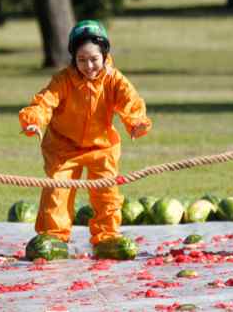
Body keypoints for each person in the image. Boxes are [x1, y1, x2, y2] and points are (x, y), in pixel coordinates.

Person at [19, 20, 152, 257]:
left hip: (101, 147)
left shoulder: (115, 80)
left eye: (94, 59)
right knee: (57, 191)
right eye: (82, 60)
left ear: (104, 54)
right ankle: (54, 238)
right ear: (73, 58)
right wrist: (33, 120)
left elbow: (130, 102)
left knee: (106, 193)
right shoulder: (63, 80)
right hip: (63, 147)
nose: (89, 66)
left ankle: (107, 238)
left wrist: (136, 122)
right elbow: (44, 101)